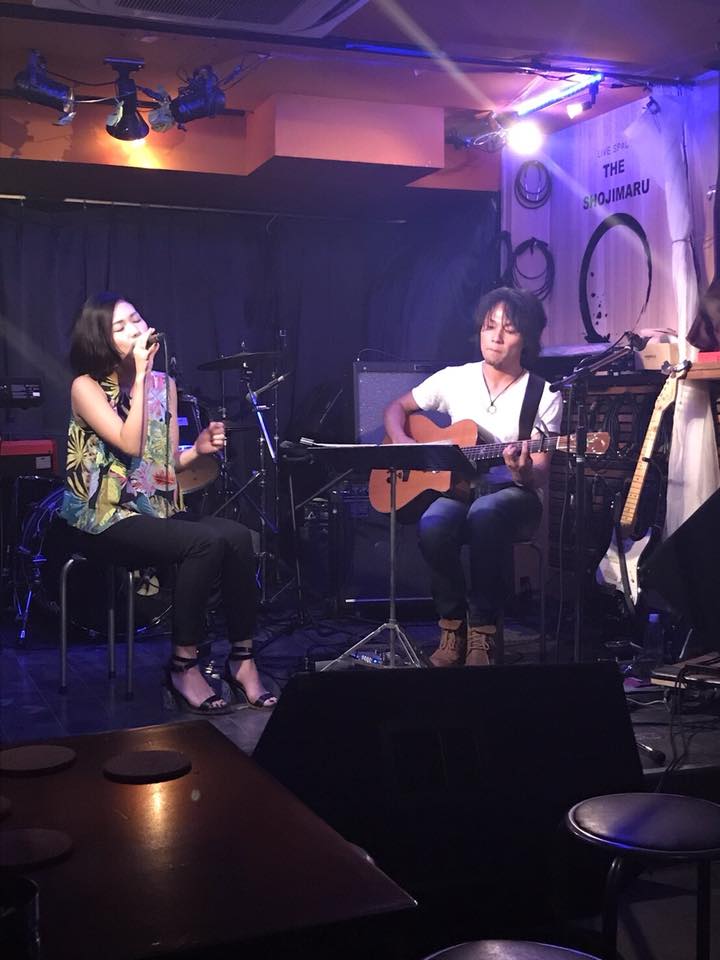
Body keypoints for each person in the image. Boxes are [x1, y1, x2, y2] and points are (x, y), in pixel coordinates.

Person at [60, 292, 277, 712]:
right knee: (204, 543)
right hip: (101, 518)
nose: (136, 330)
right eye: (121, 327)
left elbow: (163, 464)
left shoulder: (166, 386)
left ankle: (242, 660)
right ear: (101, 341)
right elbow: (129, 443)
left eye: (137, 319)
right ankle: (183, 665)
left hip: (152, 509)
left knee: (238, 537)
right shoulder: (86, 387)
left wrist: (197, 451)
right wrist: (142, 376)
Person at [383, 286, 563, 667]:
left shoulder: (543, 393)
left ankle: (484, 631)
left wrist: (523, 470)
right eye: (489, 326)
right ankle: (452, 626)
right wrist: (403, 442)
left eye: (508, 329)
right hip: (460, 490)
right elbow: (396, 408)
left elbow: (541, 472)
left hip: (516, 495)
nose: (495, 336)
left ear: (526, 339)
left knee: (486, 514)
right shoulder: (455, 379)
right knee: (433, 524)